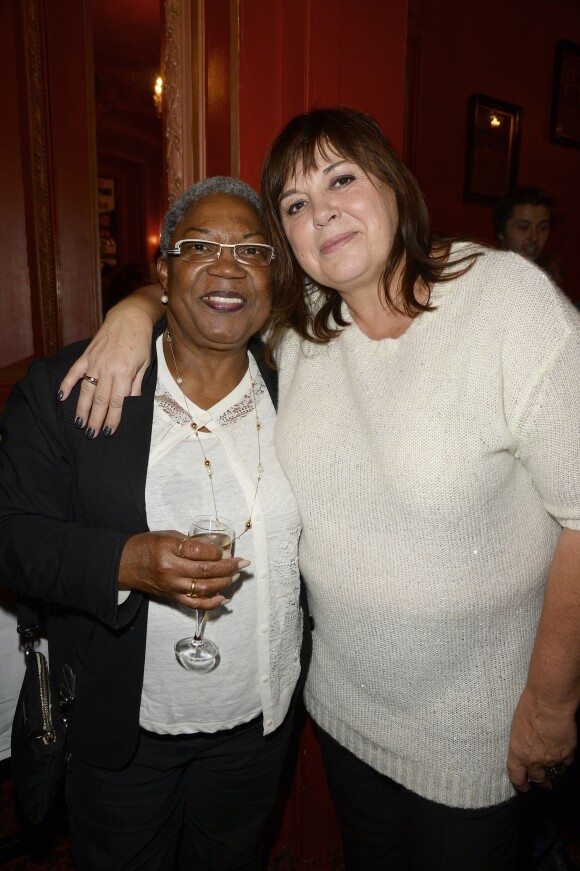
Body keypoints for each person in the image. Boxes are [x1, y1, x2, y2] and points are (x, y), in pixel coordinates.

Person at [56, 108, 580, 870]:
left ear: (394, 186)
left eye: (341, 179)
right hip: (341, 712)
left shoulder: (505, 302)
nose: (321, 209)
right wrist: (136, 309)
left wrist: (553, 702)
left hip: (478, 728)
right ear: (290, 241)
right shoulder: (300, 333)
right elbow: (206, 315)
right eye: (295, 204)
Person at [0, 176, 308, 871]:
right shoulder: (78, 386)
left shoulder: (304, 389)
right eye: (200, 246)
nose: (227, 265)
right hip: (122, 730)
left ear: (273, 276)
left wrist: (136, 306)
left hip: (258, 723)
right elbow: (11, 534)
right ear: (164, 271)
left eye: (251, 250)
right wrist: (123, 562)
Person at [493, 186, 565, 286]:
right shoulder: (483, 278)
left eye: (542, 228)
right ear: (501, 231)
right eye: (523, 227)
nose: (534, 237)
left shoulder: (542, 284)